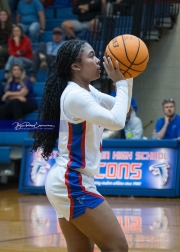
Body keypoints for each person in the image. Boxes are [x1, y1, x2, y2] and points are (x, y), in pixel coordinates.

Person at [32, 39, 132, 251]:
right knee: (118, 247)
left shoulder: (86, 91)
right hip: (72, 182)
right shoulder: (74, 96)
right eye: (91, 55)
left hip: (68, 180)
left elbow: (123, 109)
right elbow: (116, 121)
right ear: (75, 66)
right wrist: (121, 83)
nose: (97, 60)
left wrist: (128, 76)